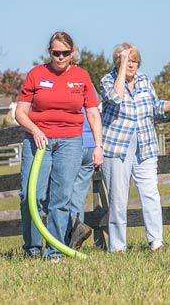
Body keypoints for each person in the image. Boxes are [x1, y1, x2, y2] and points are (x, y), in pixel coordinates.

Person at [100, 43, 170, 252]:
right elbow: (116, 98)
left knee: (151, 194)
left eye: (134, 60)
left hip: (145, 145)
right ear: (117, 62)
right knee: (117, 199)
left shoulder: (144, 80)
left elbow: (155, 108)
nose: (131, 64)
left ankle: (156, 242)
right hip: (116, 147)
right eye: (126, 60)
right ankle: (117, 247)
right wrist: (122, 65)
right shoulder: (107, 80)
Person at [15, 31, 104, 259]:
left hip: (71, 143)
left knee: (61, 199)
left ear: (72, 53)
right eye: (56, 53)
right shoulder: (36, 74)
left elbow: (93, 113)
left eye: (65, 53)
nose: (60, 57)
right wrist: (35, 130)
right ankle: (32, 249)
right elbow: (20, 112)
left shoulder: (82, 76)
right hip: (39, 141)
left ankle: (55, 251)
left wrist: (98, 146)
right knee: (31, 196)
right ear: (49, 52)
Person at [68, 106, 96, 250]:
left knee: (61, 194)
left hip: (72, 143)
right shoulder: (88, 84)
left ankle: (66, 238)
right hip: (90, 143)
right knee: (78, 197)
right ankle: (74, 245)